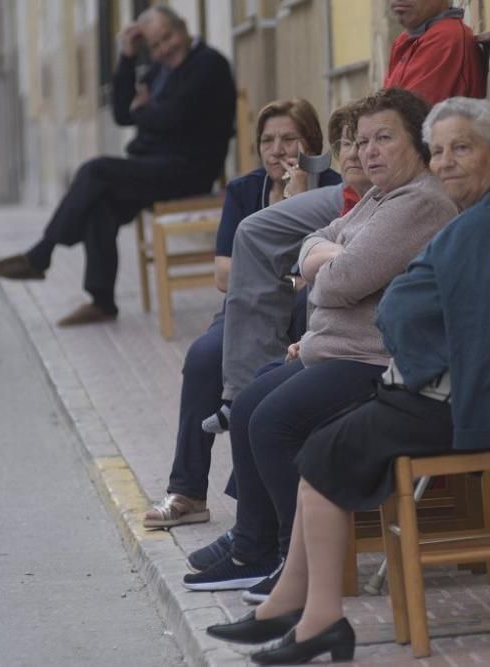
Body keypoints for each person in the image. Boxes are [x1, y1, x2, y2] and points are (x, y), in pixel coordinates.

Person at [205, 97, 490, 665]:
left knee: (318, 449)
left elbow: (404, 311)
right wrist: (368, 281)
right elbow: (403, 302)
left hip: (485, 396)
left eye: (462, 149)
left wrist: (359, 281)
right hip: (451, 383)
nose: (445, 162)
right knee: (313, 447)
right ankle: (302, 608)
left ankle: (313, 615)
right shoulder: (484, 212)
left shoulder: (482, 221)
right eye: (441, 149)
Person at [181, 89, 458, 601]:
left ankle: (298, 564)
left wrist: (327, 262)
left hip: (376, 362)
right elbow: (313, 242)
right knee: (247, 405)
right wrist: (330, 256)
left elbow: (336, 283)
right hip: (334, 349)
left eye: (384, 138)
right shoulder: (379, 197)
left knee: (273, 422)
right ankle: (252, 548)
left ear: (418, 143)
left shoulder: (419, 203)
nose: (369, 151)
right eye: (362, 140)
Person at [216, 1, 486, 417]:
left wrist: (342, 235)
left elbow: (409, 138)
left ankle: (244, 389)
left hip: (378, 191)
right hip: (368, 193)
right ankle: (244, 384)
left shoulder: (445, 41)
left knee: (258, 234)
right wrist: (339, 243)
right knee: (257, 234)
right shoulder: (406, 42)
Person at [142, 98, 342, 529]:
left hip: (311, 311)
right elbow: (223, 275)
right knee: (203, 357)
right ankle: (188, 491)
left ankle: (257, 494)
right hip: (247, 309)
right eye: (267, 140)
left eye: (289, 138)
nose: (277, 149)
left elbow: (325, 276)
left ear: (311, 144)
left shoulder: (335, 190)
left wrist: (300, 203)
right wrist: (287, 276)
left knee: (276, 367)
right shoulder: (244, 190)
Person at [0, 6, 236, 327]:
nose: (164, 49)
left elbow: (173, 118)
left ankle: (42, 254)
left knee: (95, 171)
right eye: (155, 45)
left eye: (168, 38)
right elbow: (122, 113)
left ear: (184, 28)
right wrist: (128, 56)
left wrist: (146, 111)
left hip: (188, 170)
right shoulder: (160, 71)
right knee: (98, 201)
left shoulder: (209, 64)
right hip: (153, 167)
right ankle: (102, 302)